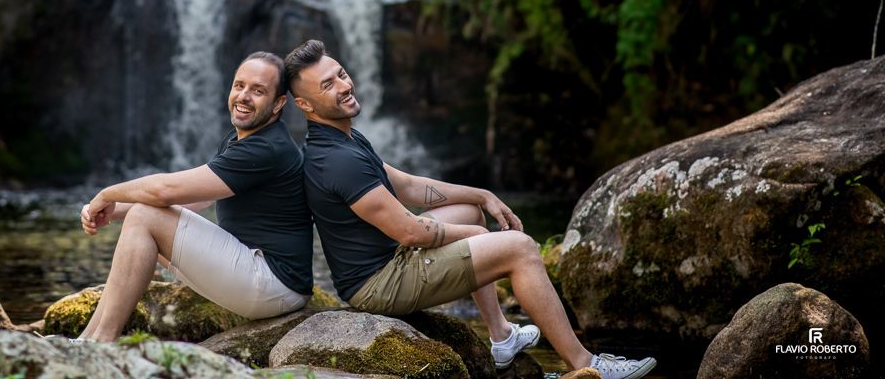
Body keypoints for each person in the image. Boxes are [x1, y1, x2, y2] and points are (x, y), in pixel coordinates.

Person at [285, 39, 658, 379]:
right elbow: (411, 232)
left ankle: (501, 337)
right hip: (380, 283)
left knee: (467, 211)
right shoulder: (336, 160)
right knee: (520, 248)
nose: (345, 86)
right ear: (304, 104)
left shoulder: (343, 136)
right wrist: (477, 238)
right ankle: (585, 364)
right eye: (328, 85)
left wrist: (481, 195)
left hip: (390, 259)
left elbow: (408, 186)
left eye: (342, 74)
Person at [75, 51, 312, 341]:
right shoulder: (244, 137)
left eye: (258, 90)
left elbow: (165, 191)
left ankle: (101, 343)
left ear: (278, 104)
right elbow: (198, 199)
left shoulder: (266, 148)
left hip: (274, 283)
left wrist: (106, 194)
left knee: (145, 217)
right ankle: (86, 341)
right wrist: (112, 211)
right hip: (259, 272)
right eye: (240, 85)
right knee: (141, 219)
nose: (244, 96)